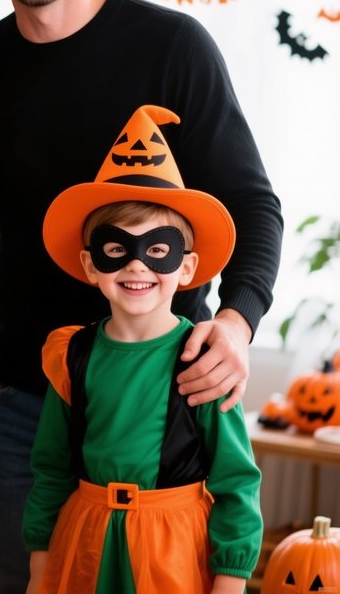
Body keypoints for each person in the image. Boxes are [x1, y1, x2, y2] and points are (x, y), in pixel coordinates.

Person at [0, 0, 282, 593]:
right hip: (26, 399)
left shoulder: (173, 47)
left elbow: (254, 205)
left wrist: (236, 324)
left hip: (162, 395)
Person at [24, 104, 262, 594]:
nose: (136, 267)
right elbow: (50, 468)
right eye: (116, 250)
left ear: (188, 268)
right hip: (84, 543)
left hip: (171, 551)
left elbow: (236, 481)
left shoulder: (204, 362)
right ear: (91, 267)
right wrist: (40, 564)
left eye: (158, 251)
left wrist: (231, 580)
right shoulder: (72, 357)